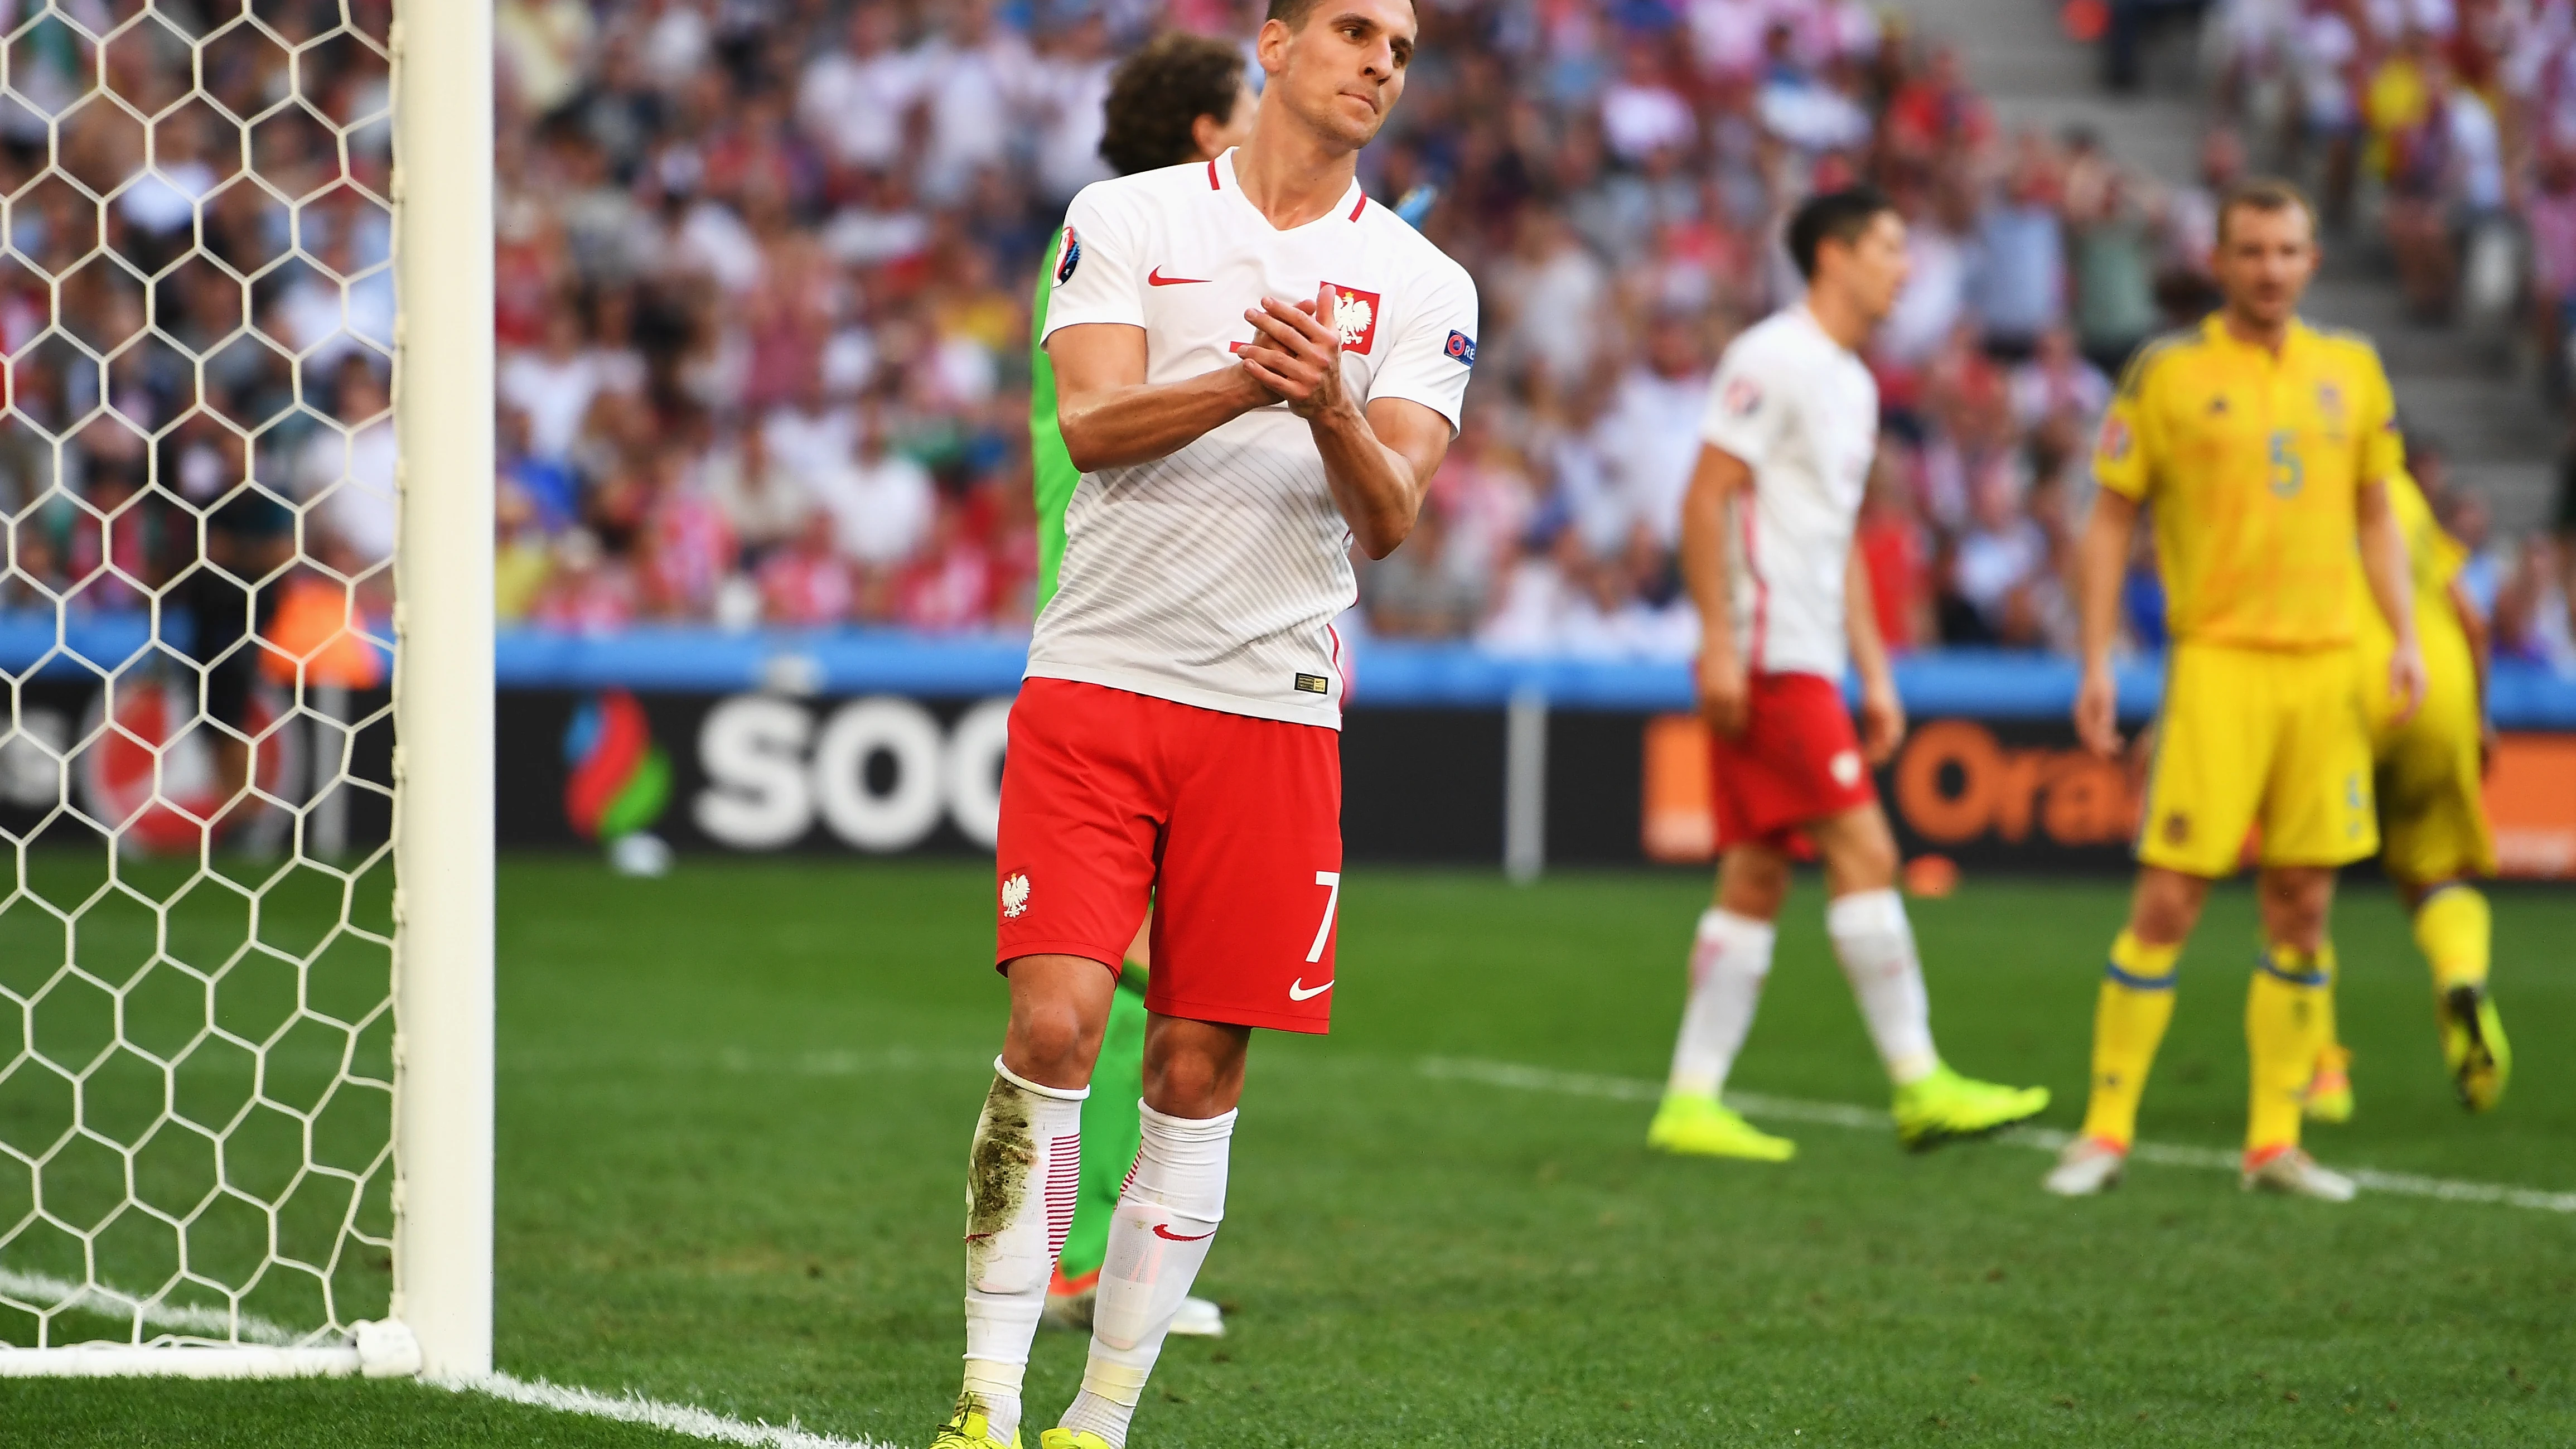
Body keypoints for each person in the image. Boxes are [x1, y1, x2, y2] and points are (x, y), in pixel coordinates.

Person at [933, 4, 1477, 1448]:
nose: (1380, 64)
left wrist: (1330, 403)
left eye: (1403, 50)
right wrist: (1251, 373)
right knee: (1054, 1023)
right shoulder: (1124, 217)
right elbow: (1092, 424)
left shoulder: (1422, 284)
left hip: (1271, 709)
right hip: (1098, 681)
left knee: (1195, 1070)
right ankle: (985, 1400)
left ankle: (1098, 1418)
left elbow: (1393, 518)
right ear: (1276, 43)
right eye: (1355, 31)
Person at [1646, 186, 2050, 1165]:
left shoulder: (1854, 382)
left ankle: (1689, 1099)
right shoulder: (1771, 356)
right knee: (1864, 853)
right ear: (1831, 255)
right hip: (1767, 653)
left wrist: (1873, 672)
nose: (1903, 268)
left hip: (1810, 653)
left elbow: (1834, 545)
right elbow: (1703, 501)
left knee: (1754, 870)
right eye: (1887, 247)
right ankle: (1919, 1082)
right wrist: (1714, 641)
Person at [2043, 179, 2428, 1204]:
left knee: (2300, 907)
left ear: (2311, 261)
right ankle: (2104, 1128)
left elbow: (2375, 515)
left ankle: (2274, 1141)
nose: (2268, 268)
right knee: (2166, 896)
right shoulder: (2165, 374)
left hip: (2323, 666)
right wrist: (2094, 659)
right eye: (2249, 250)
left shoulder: (2350, 370)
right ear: (2216, 262)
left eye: (2286, 250)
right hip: (2214, 662)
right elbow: (2107, 519)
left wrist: (2401, 636)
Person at [1023, 27, 1257, 1343]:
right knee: (1133, 980)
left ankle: (1079, 1251)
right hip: (1136, 646)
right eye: (1248, 111)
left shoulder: (1098, 256)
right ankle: (1078, 1257)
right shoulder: (1140, 258)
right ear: (1205, 136)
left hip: (1132, 633)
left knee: (1123, 988)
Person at [2300, 461, 2509, 1122]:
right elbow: (2469, 619)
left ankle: (2322, 1072)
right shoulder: (2401, 493)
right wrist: (2476, 715)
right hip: (2433, 681)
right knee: (2435, 873)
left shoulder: (2296, 477)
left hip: (2340, 683)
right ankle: (2459, 976)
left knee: (2301, 878)